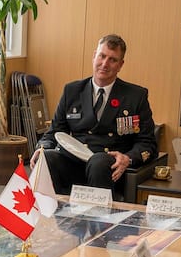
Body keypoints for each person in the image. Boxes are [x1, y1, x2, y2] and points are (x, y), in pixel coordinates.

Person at [33, 34, 156, 197]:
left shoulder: (135, 96)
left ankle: (99, 221)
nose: (105, 64)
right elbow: (54, 132)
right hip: (74, 163)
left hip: (109, 168)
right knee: (47, 158)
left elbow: (147, 143)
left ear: (120, 65)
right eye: (102, 56)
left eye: (112, 60)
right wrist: (43, 148)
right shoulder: (72, 91)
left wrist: (127, 158)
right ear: (94, 56)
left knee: (98, 162)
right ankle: (51, 217)